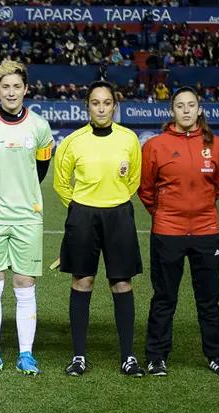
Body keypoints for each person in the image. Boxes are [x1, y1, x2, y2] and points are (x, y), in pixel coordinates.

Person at [139, 86, 219, 377]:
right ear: (172, 111)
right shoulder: (156, 145)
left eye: (191, 105)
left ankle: (216, 355)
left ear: (199, 110)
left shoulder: (216, 144)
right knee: (164, 297)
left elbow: (218, 185)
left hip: (206, 231)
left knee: (208, 299)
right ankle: (156, 356)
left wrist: (199, 210)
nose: (186, 110)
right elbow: (146, 189)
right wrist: (167, 214)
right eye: (180, 106)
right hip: (168, 232)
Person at [53, 81, 144, 378]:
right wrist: (80, 206)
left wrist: (114, 201)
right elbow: (61, 182)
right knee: (83, 282)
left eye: (107, 103)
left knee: (122, 283)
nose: (101, 108)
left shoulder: (129, 139)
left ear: (114, 106)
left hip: (119, 215)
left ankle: (128, 356)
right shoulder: (72, 141)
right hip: (82, 216)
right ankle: (79, 356)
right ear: (87, 106)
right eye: (95, 103)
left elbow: (134, 180)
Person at [0, 61, 53, 376]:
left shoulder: (40, 127)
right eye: (6, 87)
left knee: (24, 284)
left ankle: (26, 354)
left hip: (28, 218)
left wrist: (23, 194)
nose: (11, 92)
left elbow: (41, 168)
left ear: (25, 89)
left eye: (17, 86)